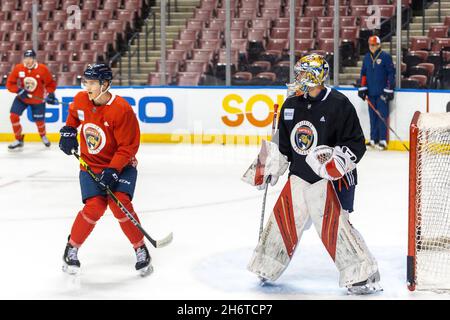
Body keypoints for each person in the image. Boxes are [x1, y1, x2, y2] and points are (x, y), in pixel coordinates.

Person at [243, 54, 381, 295]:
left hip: (332, 181)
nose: (298, 79)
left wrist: (337, 163)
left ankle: (362, 275)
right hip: (299, 176)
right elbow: (283, 145)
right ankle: (267, 264)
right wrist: (269, 166)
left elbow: (356, 143)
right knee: (282, 222)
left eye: (304, 74)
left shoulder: (339, 104)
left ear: (317, 76)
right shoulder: (291, 104)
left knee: (337, 228)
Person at [58, 63, 152, 276]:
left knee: (120, 204)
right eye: (86, 81)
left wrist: (112, 170)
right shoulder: (82, 100)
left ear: (106, 84)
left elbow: (128, 147)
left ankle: (140, 248)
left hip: (122, 166)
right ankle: (72, 247)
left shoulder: (122, 110)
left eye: (92, 82)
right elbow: (74, 115)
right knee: (95, 207)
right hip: (90, 166)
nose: (87, 86)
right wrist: (69, 131)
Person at [6, 49, 58, 150]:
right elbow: (10, 83)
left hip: (37, 99)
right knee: (13, 116)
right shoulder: (19, 68)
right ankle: (18, 139)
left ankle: (43, 136)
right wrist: (18, 90)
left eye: (30, 58)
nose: (27, 61)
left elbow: (50, 83)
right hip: (22, 98)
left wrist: (51, 93)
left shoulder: (42, 69)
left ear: (34, 59)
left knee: (39, 121)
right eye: (26, 58)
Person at [358, 35, 395, 151]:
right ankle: (373, 139)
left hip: (382, 92)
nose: (372, 47)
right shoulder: (367, 58)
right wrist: (362, 87)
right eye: (370, 45)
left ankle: (383, 140)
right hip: (371, 92)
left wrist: (388, 88)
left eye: (374, 45)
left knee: (382, 116)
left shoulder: (385, 57)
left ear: (379, 45)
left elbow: (391, 74)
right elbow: (363, 73)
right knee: (372, 116)